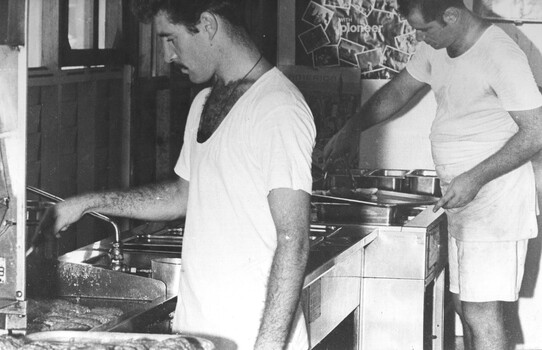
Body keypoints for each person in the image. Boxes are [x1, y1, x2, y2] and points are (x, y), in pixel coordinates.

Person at [34, 1, 316, 349]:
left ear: (208, 25)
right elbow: (182, 196)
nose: (167, 55)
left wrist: (268, 345)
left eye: (172, 39)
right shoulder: (204, 103)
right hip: (199, 333)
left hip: (256, 337)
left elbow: (294, 241)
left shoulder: (278, 107)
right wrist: (86, 203)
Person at [324, 0, 542, 349]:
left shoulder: (499, 53)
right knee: (465, 308)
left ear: (452, 16)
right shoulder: (437, 48)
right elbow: (397, 92)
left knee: (482, 313)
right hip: (466, 203)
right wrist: (353, 128)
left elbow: (536, 131)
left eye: (425, 29)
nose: (420, 37)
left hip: (495, 204)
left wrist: (474, 178)